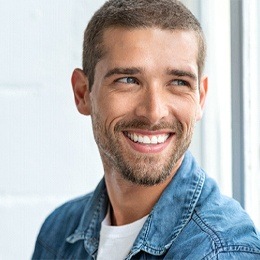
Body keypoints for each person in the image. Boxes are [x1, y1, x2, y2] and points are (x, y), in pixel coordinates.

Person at [32, 0, 260, 259]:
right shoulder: (57, 234)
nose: (153, 112)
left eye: (178, 82)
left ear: (200, 98)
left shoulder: (219, 251)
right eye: (128, 80)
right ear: (83, 93)